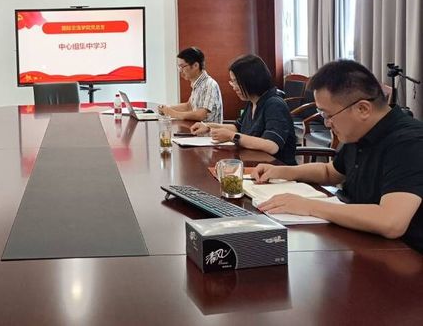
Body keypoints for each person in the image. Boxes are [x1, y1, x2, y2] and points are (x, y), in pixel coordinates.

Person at [252, 60, 423, 252]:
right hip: (360, 240)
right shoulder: (359, 131)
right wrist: (282, 171)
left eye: (327, 115)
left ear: (363, 109)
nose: (326, 123)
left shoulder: (410, 142)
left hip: (404, 254)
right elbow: (330, 171)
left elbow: (391, 222)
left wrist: (309, 206)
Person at [190, 54, 297, 165]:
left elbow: (271, 146)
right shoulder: (252, 102)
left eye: (236, 82)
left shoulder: (274, 104)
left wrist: (232, 137)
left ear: (251, 81)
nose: (233, 86)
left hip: (277, 168)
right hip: (254, 163)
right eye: (232, 81)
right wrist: (208, 127)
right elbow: (237, 127)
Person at [158, 46, 223, 123]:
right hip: (197, 128)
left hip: (209, 130)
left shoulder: (209, 85)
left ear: (195, 66)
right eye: (179, 67)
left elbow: (201, 114)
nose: (180, 71)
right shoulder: (197, 84)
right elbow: (188, 106)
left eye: (182, 66)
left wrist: (173, 113)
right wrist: (166, 108)